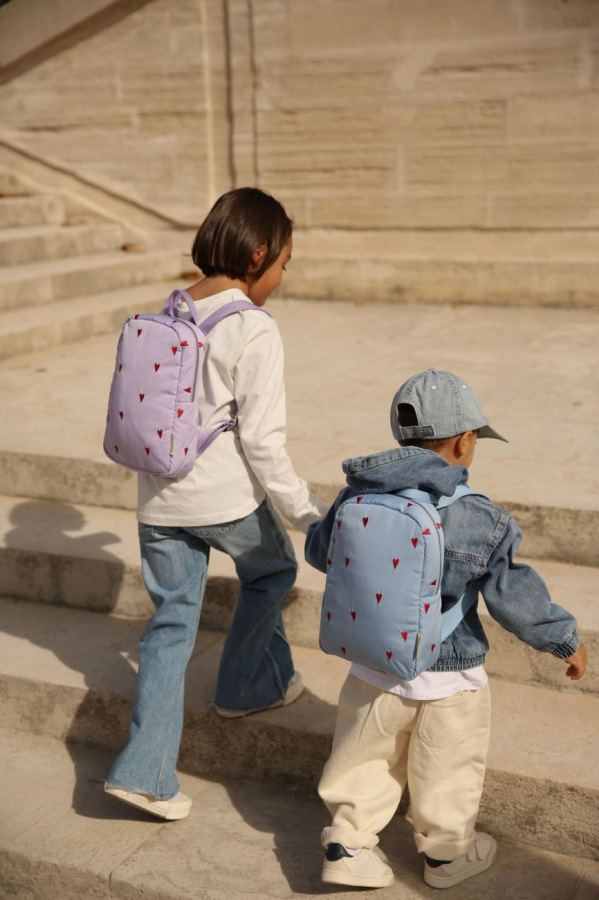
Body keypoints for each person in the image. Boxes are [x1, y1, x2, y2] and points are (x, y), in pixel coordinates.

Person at [305, 369, 587, 890]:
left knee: (362, 760)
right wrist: (564, 639)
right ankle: (446, 857)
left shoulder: (355, 495)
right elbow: (514, 596)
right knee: (447, 770)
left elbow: (320, 553)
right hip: (449, 674)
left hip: (372, 663)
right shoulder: (480, 517)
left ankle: (347, 846)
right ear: (464, 441)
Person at [105, 187, 328, 821]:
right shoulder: (254, 328)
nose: (282, 276)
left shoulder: (171, 310)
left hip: (158, 501)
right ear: (258, 255)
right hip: (226, 500)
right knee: (273, 571)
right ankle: (242, 685)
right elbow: (262, 443)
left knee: (170, 626)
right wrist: (308, 513)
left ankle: (145, 773)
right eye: (284, 263)